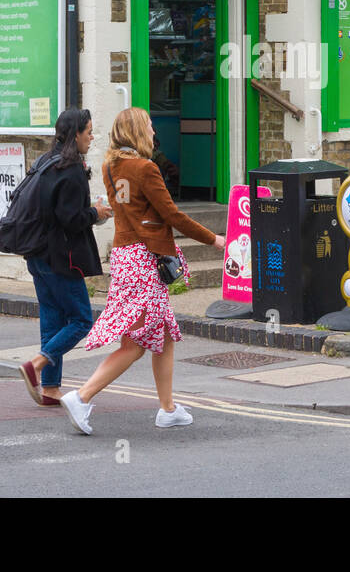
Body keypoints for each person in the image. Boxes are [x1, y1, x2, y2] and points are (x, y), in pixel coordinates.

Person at [61, 107, 225, 434]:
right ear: (137, 131)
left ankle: (167, 408)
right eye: (149, 127)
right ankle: (82, 396)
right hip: (142, 261)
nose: (153, 132)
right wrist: (214, 239)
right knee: (135, 343)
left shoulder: (111, 167)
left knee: (162, 336)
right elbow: (173, 215)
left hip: (125, 256)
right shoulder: (145, 168)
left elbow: (132, 211)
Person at [18, 108, 114, 406]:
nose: (92, 136)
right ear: (76, 134)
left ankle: (49, 388)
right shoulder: (70, 169)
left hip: (36, 254)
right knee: (81, 319)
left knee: (52, 320)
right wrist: (96, 212)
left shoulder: (45, 161)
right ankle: (36, 365)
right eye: (88, 131)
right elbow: (71, 220)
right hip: (61, 258)